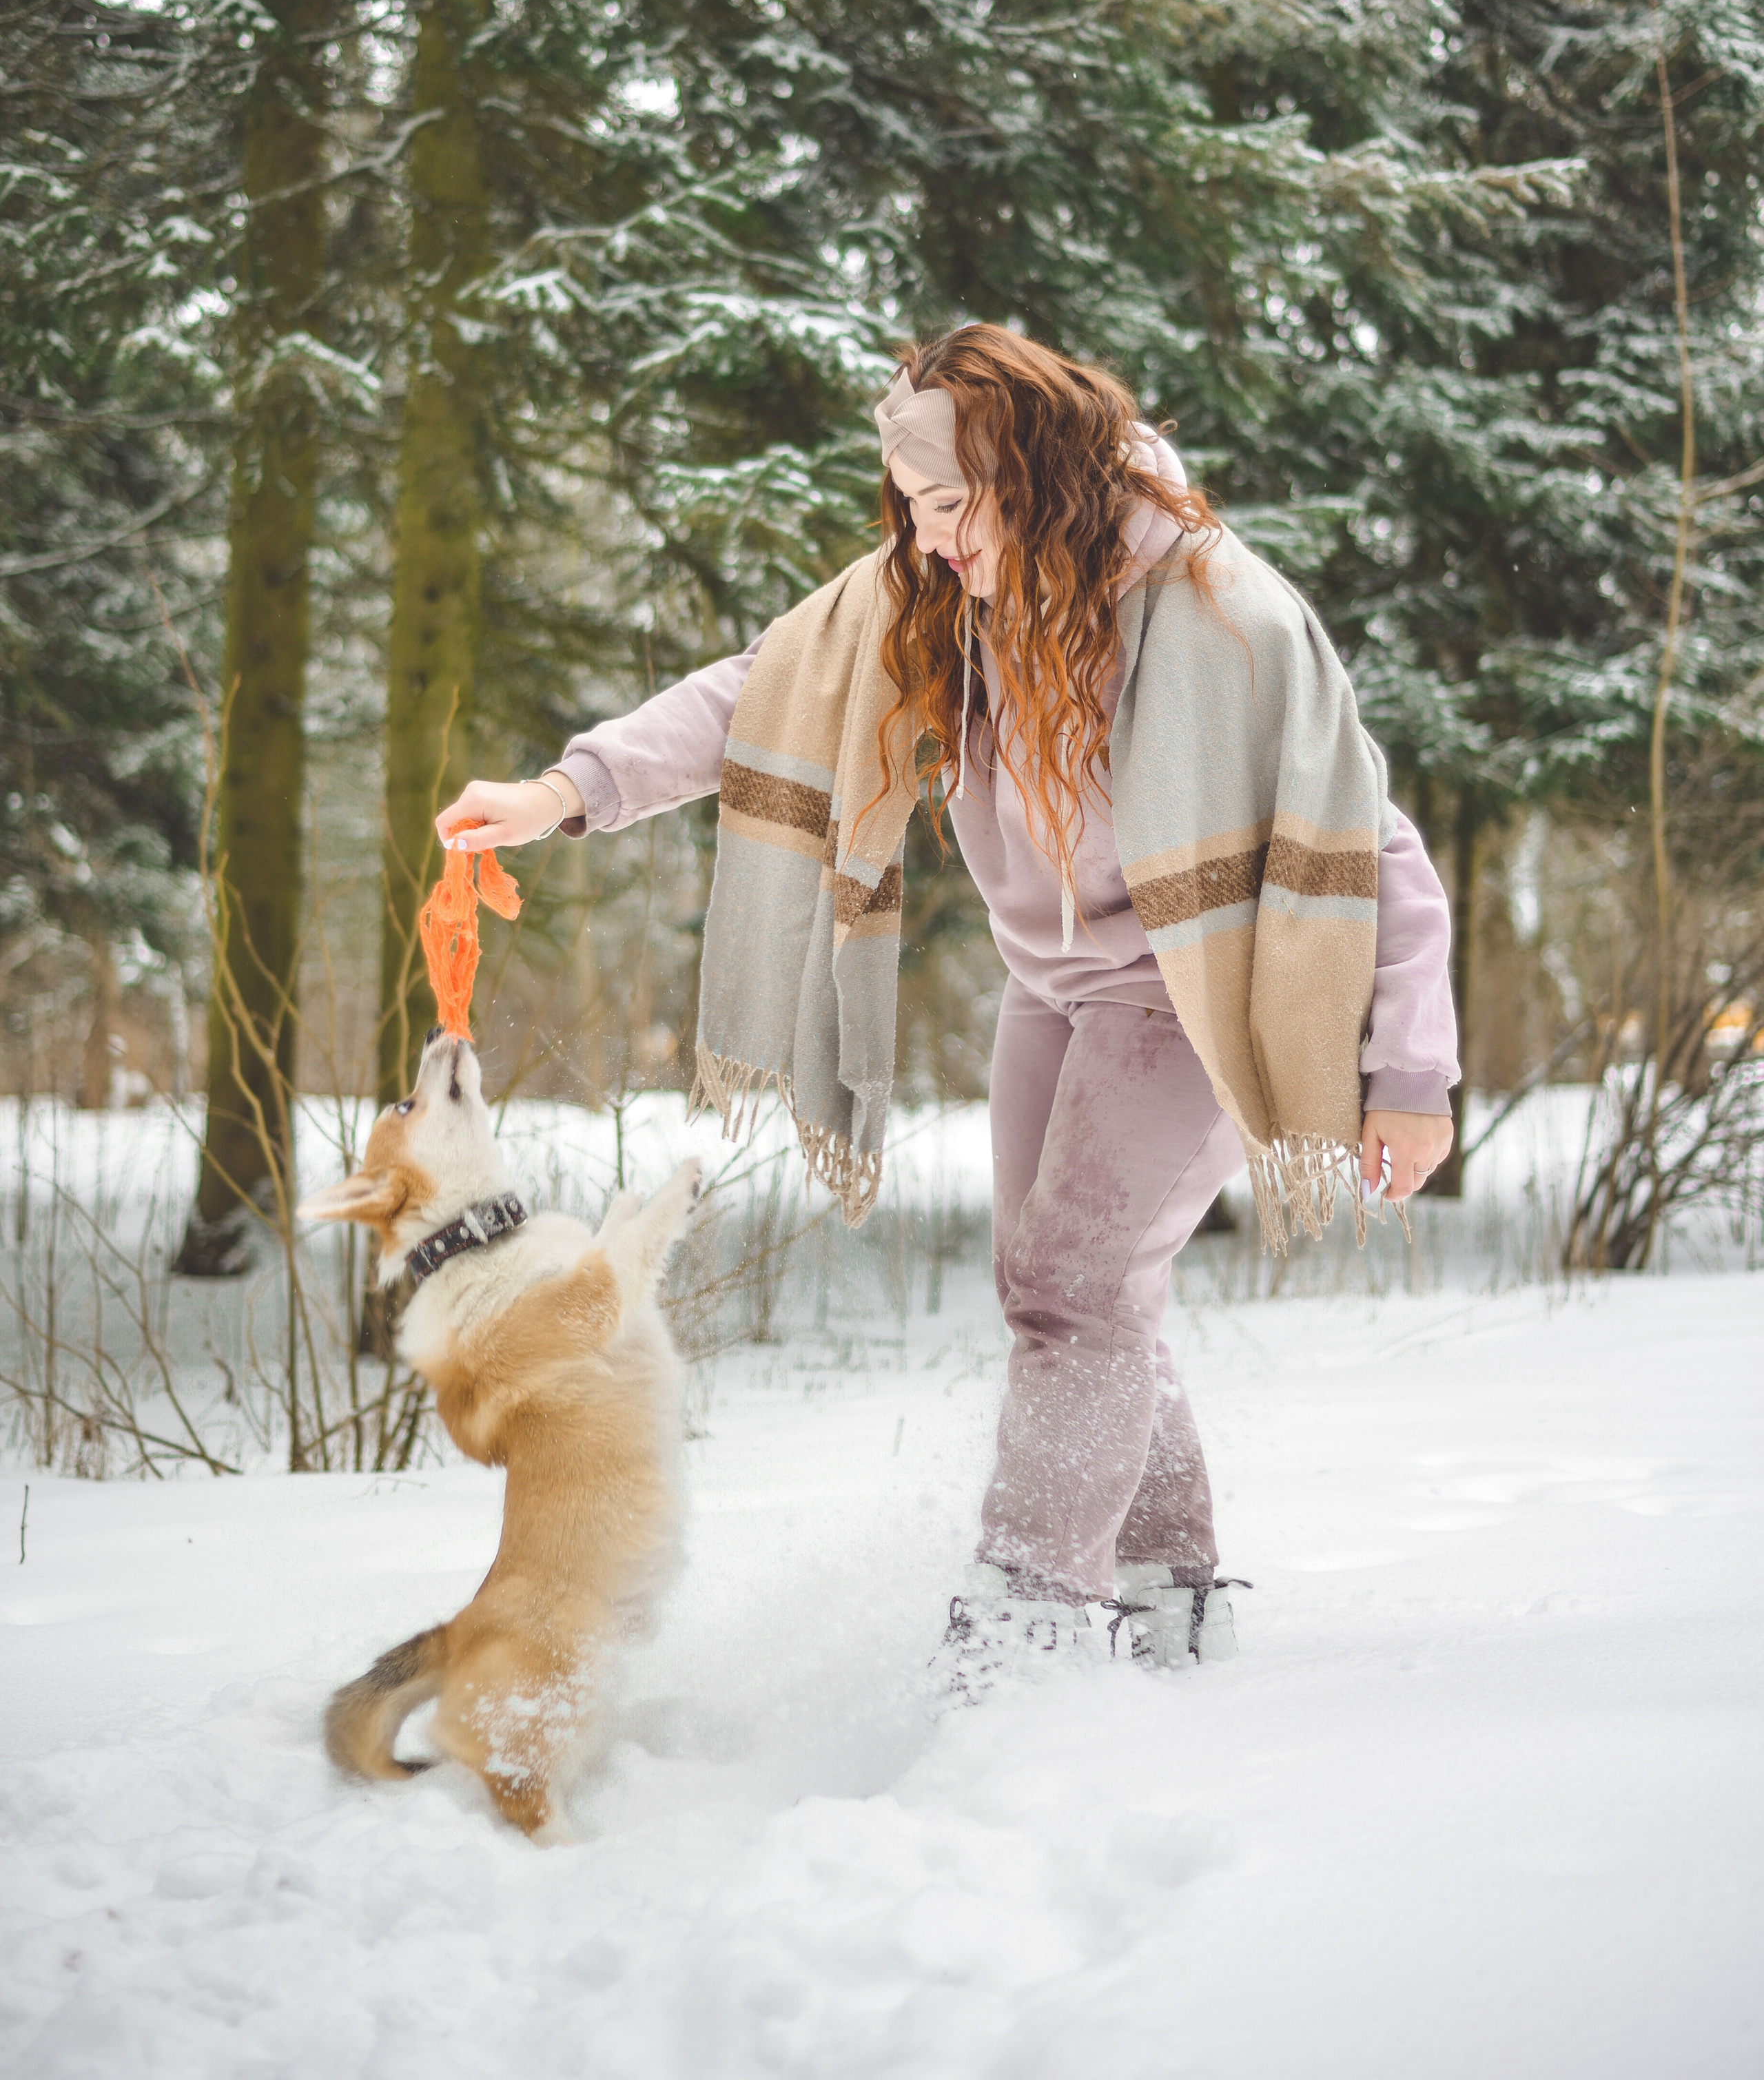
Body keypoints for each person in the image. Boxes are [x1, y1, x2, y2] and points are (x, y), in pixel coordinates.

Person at [438, 327, 1457, 1683]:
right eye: (909, 507)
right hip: (1052, 998)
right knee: (1076, 1295)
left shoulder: (1218, 613)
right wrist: (566, 791)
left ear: (1030, 478)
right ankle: (1168, 1598)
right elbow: (762, 691)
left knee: (1070, 1285)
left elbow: (1367, 839)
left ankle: (1026, 1624)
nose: (924, 538)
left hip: (1191, 1000)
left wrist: (1410, 1074)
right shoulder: (936, 602)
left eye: (947, 504)